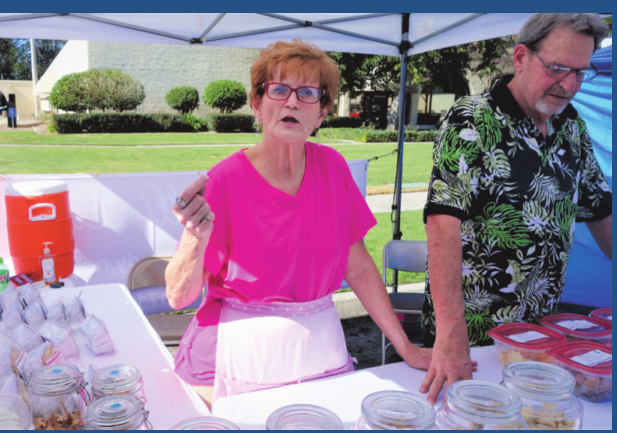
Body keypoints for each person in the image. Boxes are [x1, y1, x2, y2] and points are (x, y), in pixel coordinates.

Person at [166, 39, 433, 406]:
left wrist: (406, 346)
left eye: (307, 93)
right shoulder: (223, 181)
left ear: (321, 113)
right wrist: (193, 239)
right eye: (279, 90)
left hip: (317, 346)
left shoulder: (333, 168)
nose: (292, 102)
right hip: (233, 352)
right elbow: (178, 297)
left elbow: (357, 267)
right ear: (257, 104)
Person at [420, 13, 612, 404]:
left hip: (540, 338)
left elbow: (600, 211)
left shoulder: (572, 127)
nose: (569, 84)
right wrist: (451, 334)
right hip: (471, 340)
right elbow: (442, 224)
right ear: (521, 57)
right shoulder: (473, 118)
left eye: (580, 72)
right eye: (557, 68)